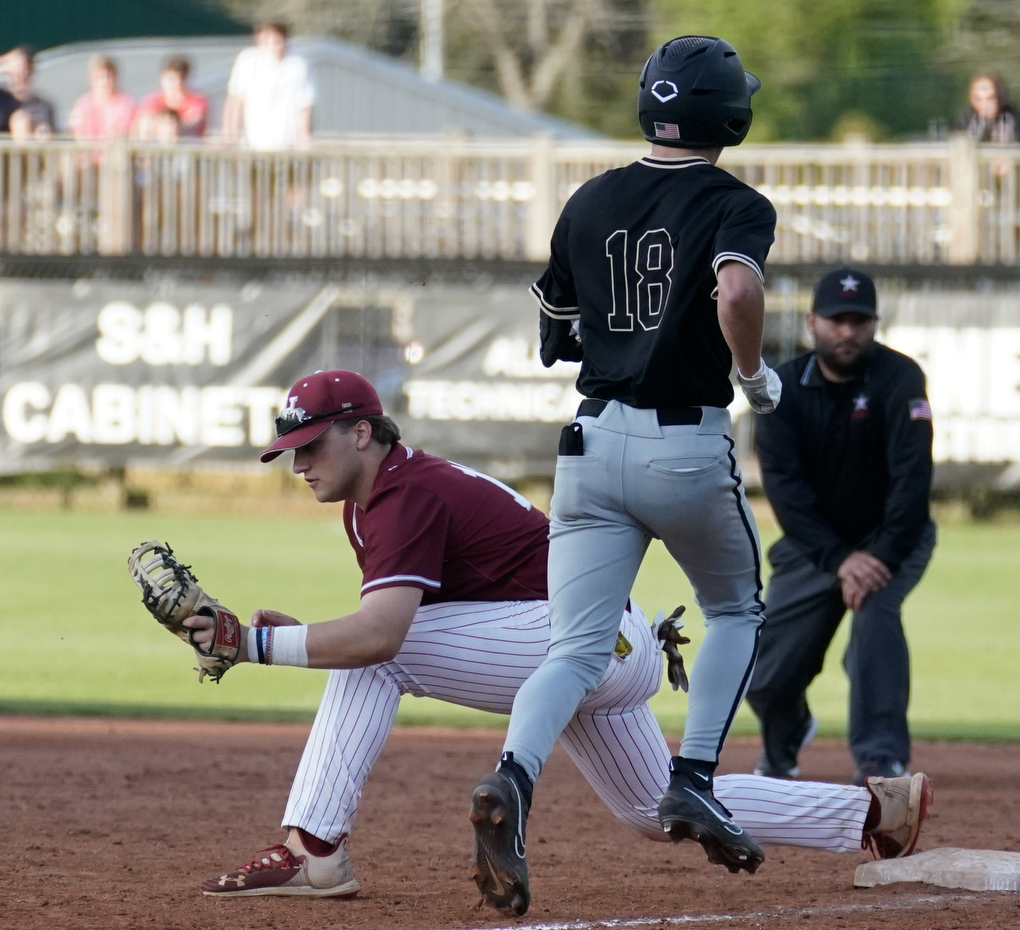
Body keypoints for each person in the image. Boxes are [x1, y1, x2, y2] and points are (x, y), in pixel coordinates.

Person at [181, 370, 932, 902]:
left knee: (385, 652)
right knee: (652, 809)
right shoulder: (384, 493)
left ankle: (314, 849)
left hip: (583, 643)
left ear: (365, 432)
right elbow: (392, 628)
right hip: (589, 645)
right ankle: (876, 813)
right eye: (293, 451)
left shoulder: (405, 496)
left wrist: (250, 644)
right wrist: (295, 638)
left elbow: (381, 637)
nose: (299, 463)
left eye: (312, 446)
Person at [468, 34, 786, 917]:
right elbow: (736, 295)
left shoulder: (592, 196)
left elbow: (551, 326)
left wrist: (590, 336)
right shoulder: (737, 203)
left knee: (573, 647)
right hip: (684, 441)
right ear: (731, 117)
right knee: (733, 608)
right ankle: (692, 776)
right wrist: (755, 377)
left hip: (589, 445)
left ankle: (512, 779)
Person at [748, 268, 936, 786]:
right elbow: (785, 490)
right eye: (836, 320)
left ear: (875, 324)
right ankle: (786, 739)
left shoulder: (900, 379)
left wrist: (876, 557)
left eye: (859, 320)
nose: (848, 331)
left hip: (892, 542)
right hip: (816, 548)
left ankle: (881, 759)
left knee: (875, 624)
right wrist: (838, 559)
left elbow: (913, 479)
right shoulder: (780, 388)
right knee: (764, 676)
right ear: (813, 322)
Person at [222, 21, 314, 151]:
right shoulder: (247, 61)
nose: (272, 44)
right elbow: (235, 98)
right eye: (266, 39)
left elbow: (305, 104)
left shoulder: (297, 65)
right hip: (253, 143)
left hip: (287, 144)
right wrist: (230, 132)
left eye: (277, 39)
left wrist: (304, 137)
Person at [0, 46, 56, 138]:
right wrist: (2, 63)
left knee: (21, 119)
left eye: (22, 66)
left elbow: (45, 133)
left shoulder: (41, 105)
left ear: (29, 70)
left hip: (26, 149)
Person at [135, 56, 208, 139]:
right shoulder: (153, 99)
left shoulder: (196, 100)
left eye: (179, 79)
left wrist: (169, 124)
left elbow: (192, 124)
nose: (175, 84)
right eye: (170, 79)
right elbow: (142, 122)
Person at [68, 55, 135, 141]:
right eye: (99, 77)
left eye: (108, 76)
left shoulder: (126, 103)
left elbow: (127, 133)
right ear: (91, 79)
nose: (104, 81)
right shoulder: (82, 105)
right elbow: (78, 134)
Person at [956, 73, 1020, 144]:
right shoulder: (966, 119)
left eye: (991, 98)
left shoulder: (1015, 119)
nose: (985, 105)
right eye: (979, 99)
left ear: (1001, 98)